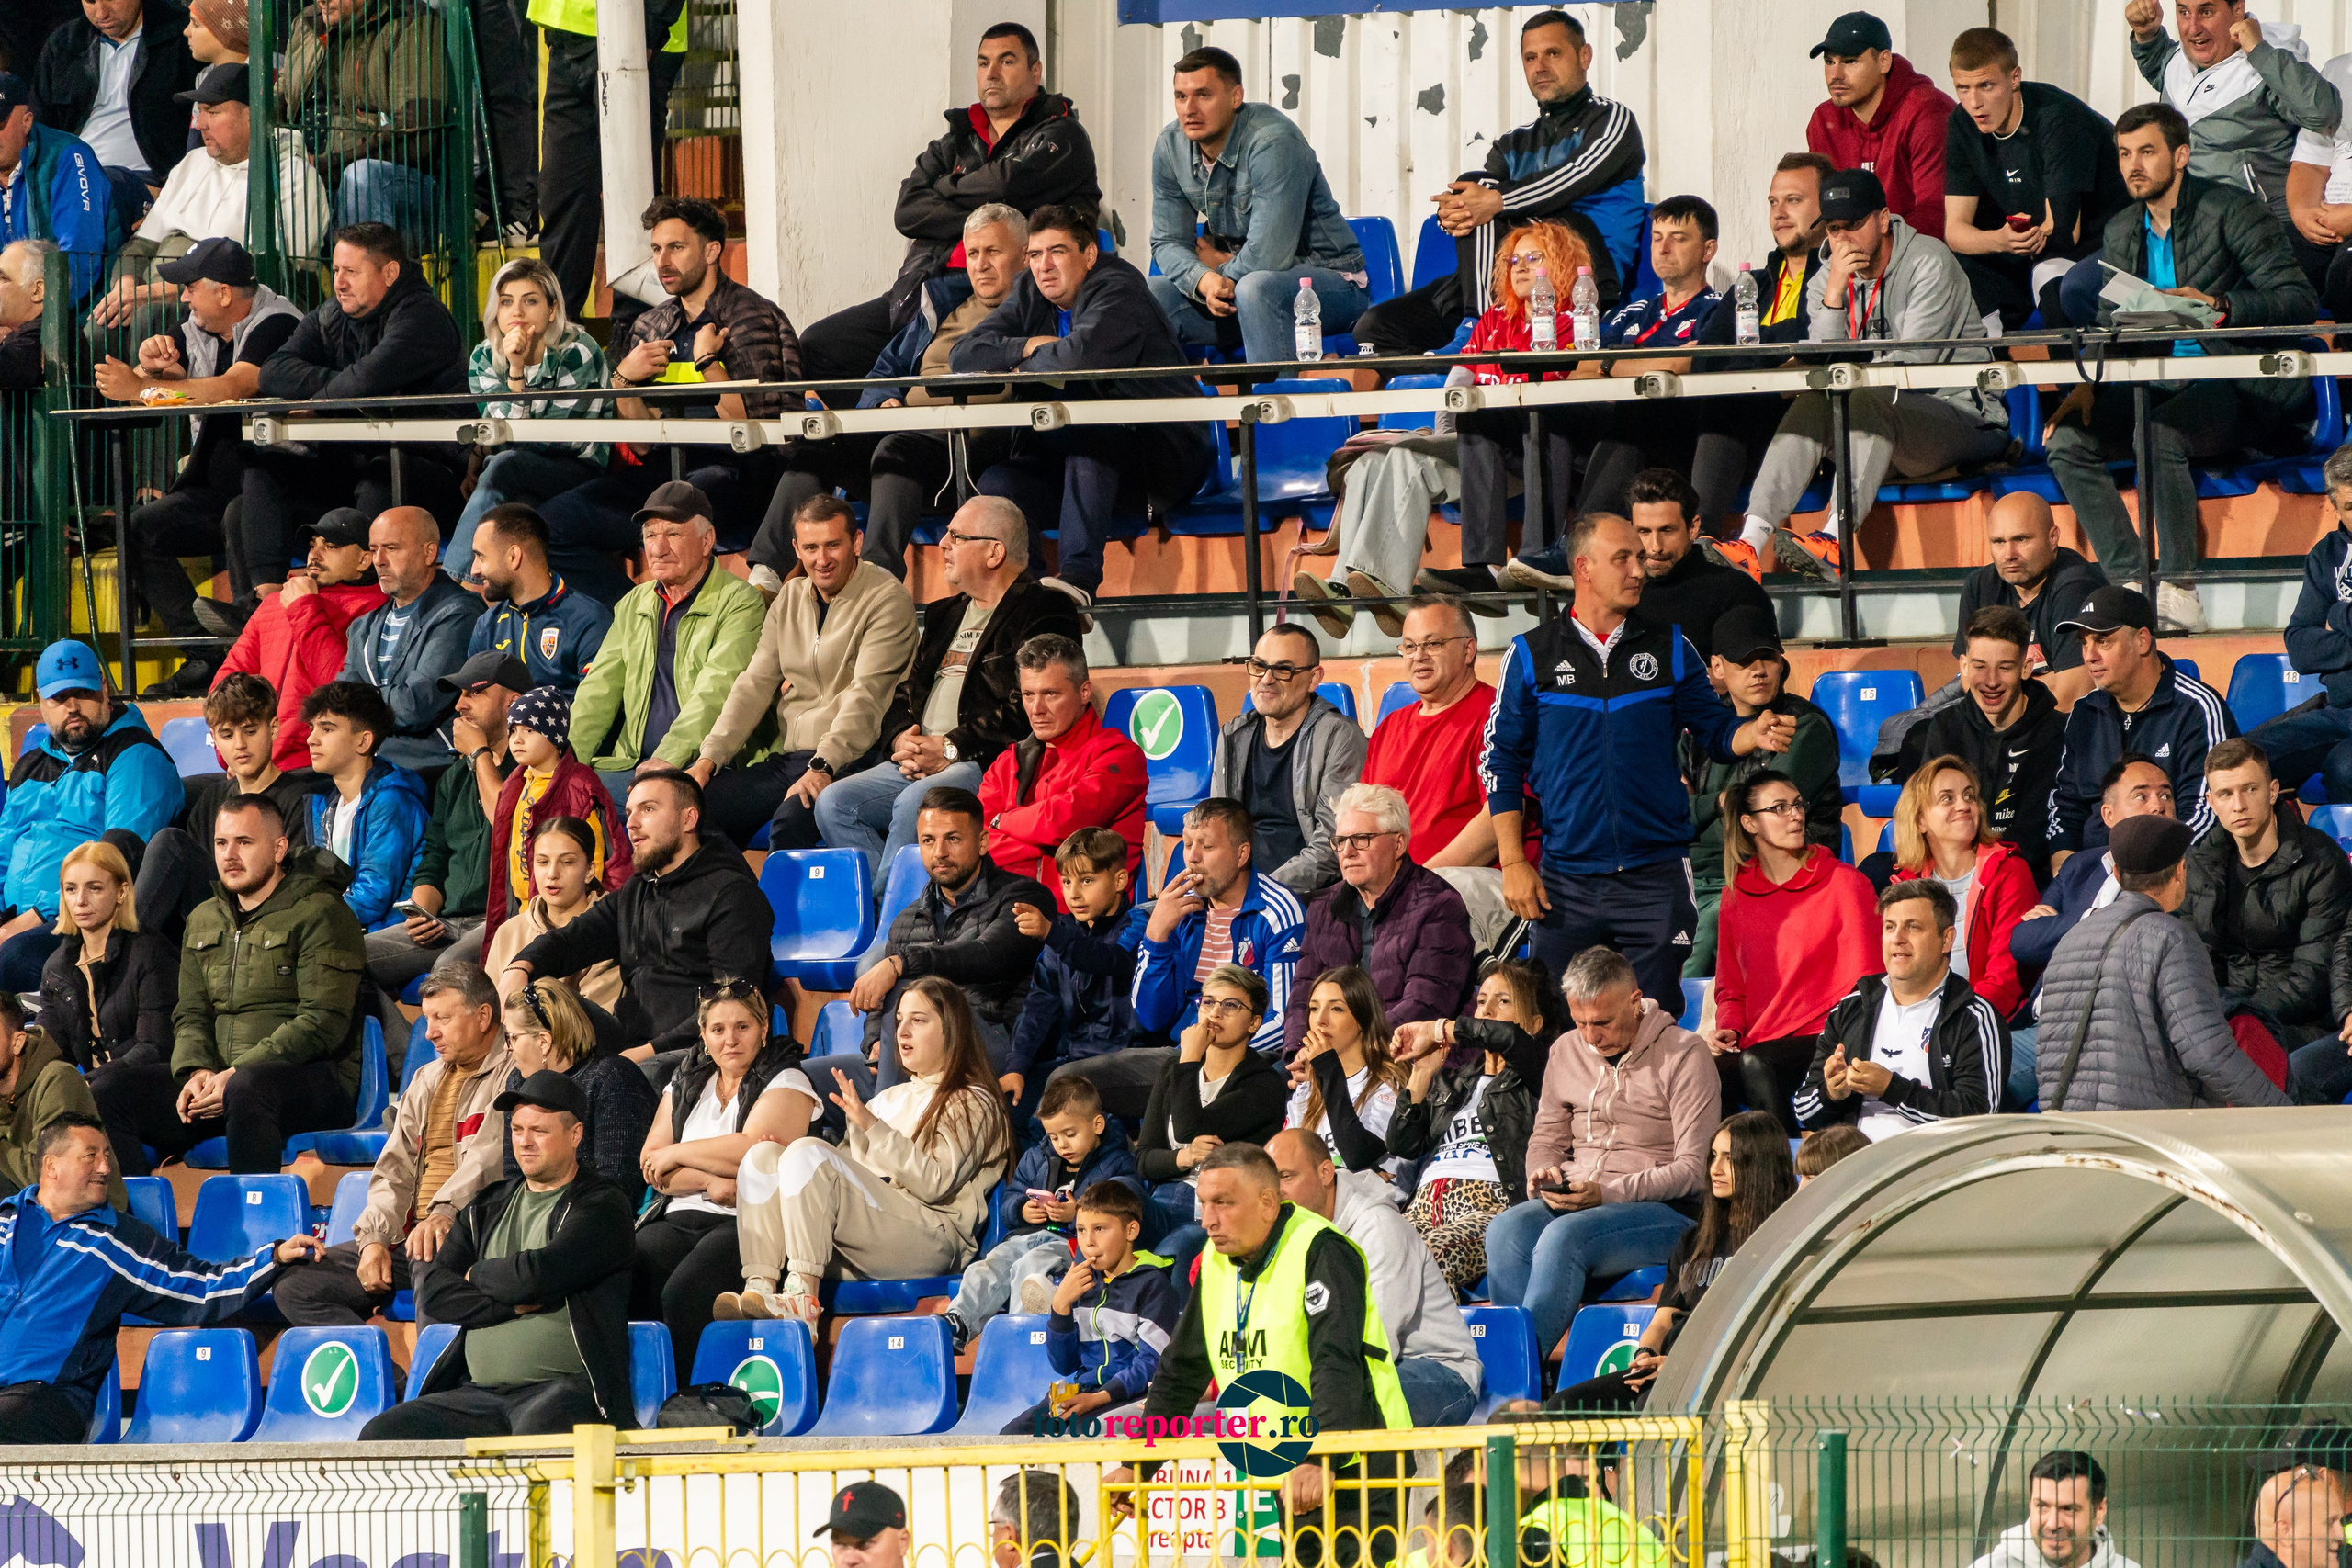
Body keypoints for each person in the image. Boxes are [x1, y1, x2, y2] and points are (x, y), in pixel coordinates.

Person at [1483, 513, 1793, 1005]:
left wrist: (1750, 732)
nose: (1640, 570)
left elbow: (1714, 733)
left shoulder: (1670, 646)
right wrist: (1514, 860)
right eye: (1623, 558)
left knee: (1656, 1024)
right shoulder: (1529, 655)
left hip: (1657, 875)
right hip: (1566, 880)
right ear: (1583, 568)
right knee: (1562, 1030)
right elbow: (1500, 762)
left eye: (1640, 559)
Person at [2043, 103, 2320, 634]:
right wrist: (2089, 383)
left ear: (2182, 155)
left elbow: (2298, 299)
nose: (2132, 166)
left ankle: (2179, 589)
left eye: (2146, 152)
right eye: (2124, 154)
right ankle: (2128, 585)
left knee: (2158, 433)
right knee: (2065, 442)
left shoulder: (2232, 211)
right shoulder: (2124, 228)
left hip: (2238, 383)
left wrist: (2220, 305)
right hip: (2158, 381)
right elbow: (2111, 322)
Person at [1114, 1141, 1411, 1565]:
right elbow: (1180, 1372)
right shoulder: (1215, 1264)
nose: (1208, 1220)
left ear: (1268, 1203)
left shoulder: (1321, 1248)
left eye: (1223, 1203)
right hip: (1287, 1466)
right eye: (1202, 1203)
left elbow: (1335, 1360)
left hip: (1357, 1466)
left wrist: (1321, 1456)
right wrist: (1138, 1463)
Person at [1735, 168, 2009, 585]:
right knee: (1816, 401)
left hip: (1959, 416)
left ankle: (1834, 540)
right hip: (1877, 430)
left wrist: (1843, 379)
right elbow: (1821, 368)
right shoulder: (1828, 277)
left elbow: (1913, 367)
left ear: (1882, 219)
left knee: (1863, 399)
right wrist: (1833, 298)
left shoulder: (1928, 261)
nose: (1842, 239)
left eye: (1854, 225)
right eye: (1833, 228)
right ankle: (1750, 543)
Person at [793, 21, 1099, 387]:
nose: (992, 73)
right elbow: (907, 211)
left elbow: (1009, 181)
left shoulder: (1061, 135)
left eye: (1006, 61)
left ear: (1035, 72)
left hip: (1005, 291)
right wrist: (991, 213)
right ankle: (878, 432)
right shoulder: (955, 141)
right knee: (820, 347)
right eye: (983, 63)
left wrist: (944, 186)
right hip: (927, 285)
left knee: (942, 368)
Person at [953, 205, 1216, 612]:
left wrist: (1018, 363)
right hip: (1074, 462)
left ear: (1088, 255)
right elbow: (964, 355)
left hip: (1159, 461)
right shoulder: (1030, 291)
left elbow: (1080, 357)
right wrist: (1027, 346)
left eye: (1057, 251)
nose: (1044, 266)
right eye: (1035, 255)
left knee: (1092, 428)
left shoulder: (1118, 286)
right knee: (998, 483)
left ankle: (1077, 581)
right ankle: (1031, 592)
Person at [753, 206, 1032, 587]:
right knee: (820, 446)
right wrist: (881, 403)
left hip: (968, 453)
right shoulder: (942, 306)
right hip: (907, 440)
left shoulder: (1034, 312)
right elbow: (886, 368)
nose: (980, 264)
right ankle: (765, 575)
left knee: (896, 449)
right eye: (972, 253)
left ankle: (876, 580)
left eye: (993, 252)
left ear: (1025, 253)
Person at [539, 197, 799, 604]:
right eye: (657, 249)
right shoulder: (652, 323)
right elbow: (642, 442)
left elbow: (755, 434)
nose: (663, 261)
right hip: (666, 470)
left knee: (671, 514)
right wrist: (624, 377)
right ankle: (630, 616)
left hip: (734, 476)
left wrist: (708, 361)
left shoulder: (751, 318)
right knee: (551, 525)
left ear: (712, 251)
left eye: (676, 248)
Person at [0, 1114, 321, 1445]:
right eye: (90, 1156)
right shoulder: (5, 1223)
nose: (105, 1168)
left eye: (107, 1156)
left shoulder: (118, 1243)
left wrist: (274, 1257)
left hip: (48, 1398)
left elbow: (201, 1286)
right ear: (51, 1166)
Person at [813, 496, 1084, 879]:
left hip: (987, 760)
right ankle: (889, 907)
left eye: (956, 536)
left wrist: (951, 746)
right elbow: (907, 692)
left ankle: (893, 924)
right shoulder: (945, 613)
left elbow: (1031, 706)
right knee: (833, 803)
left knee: (917, 804)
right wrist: (900, 740)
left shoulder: (1044, 608)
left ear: (994, 552)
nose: (942, 544)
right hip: (922, 755)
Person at [92, 794, 363, 1176]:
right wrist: (197, 1071)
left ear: (279, 848)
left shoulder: (322, 912)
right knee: (109, 1092)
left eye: (244, 842)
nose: (230, 855)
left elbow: (322, 1023)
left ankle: (262, 1231)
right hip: (222, 1083)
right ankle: (138, 1223)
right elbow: (190, 1015)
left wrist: (234, 1073)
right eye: (221, 843)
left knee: (249, 1087)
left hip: (310, 1079)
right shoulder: (204, 918)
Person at [354, 1068, 630, 1439]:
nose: (525, 1142)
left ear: (575, 1134)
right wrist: (510, 1306)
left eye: (540, 1131)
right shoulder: (487, 1205)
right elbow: (436, 1292)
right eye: (517, 1130)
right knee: (383, 1435)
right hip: (479, 1395)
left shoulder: (602, 1204)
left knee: (533, 1445)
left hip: (565, 1390)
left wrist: (476, 1274)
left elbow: (539, 1274)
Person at [1352, 7, 1645, 354]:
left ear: (1584, 56)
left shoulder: (1613, 119)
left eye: (1553, 53)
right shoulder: (1513, 143)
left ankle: (1479, 329)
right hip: (1512, 276)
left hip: (1582, 277)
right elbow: (1478, 206)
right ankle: (1452, 381)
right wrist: (1455, 212)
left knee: (1487, 193)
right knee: (1376, 328)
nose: (1540, 66)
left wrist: (1496, 201)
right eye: (1530, 58)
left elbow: (1572, 178)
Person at [723, 976, 1012, 1324]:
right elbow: (842, 1180)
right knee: (762, 1157)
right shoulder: (887, 1099)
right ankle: (761, 1286)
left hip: (931, 1238)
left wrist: (873, 1127)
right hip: (867, 1236)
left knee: (805, 1153)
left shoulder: (973, 1101)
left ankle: (802, 1297)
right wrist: (786, 1165)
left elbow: (935, 1183)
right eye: (900, 1020)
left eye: (918, 1021)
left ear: (951, 1030)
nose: (902, 1032)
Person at [1486, 945, 1714, 1360]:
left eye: (1603, 1022)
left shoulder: (1684, 1054)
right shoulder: (1567, 1050)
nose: (1591, 1036)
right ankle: (1530, 1374)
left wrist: (1607, 1193)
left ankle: (1513, 1375)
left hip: (1666, 1210)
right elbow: (1545, 1138)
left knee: (1563, 1238)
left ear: (1634, 1001)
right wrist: (1541, 1172)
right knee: (1505, 1231)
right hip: (1580, 1199)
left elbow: (1693, 1170)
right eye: (1580, 1022)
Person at [97, 237, 301, 694]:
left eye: (191, 287)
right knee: (138, 529)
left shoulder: (278, 323)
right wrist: (154, 366)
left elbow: (234, 386)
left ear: (225, 293)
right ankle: (207, 656)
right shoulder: (194, 324)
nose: (184, 297)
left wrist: (141, 390)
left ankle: (253, 661)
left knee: (240, 511)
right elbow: (173, 377)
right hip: (213, 484)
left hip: (278, 488)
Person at [273, 964, 512, 1325]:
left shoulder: (514, 1073)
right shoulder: (425, 1078)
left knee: (432, 1270)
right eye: (428, 1018)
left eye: (441, 1019)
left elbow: (488, 1160)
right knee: (297, 1284)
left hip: (469, 1231)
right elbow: (394, 1167)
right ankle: (388, 1380)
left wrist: (444, 1213)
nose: (430, 1033)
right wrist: (374, 1239)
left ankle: (435, 1381)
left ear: (483, 1016)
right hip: (412, 1236)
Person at [503, 770, 771, 1071]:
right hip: (627, 1042)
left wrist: (645, 1053)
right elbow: (572, 939)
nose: (631, 823)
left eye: (648, 809)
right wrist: (520, 967)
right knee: (538, 1026)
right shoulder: (637, 889)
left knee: (626, 1076)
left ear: (688, 819)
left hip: (695, 1050)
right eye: (629, 812)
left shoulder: (731, 895)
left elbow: (733, 1002)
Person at [249, 228, 469, 596]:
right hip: (352, 461)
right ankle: (263, 606)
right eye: (335, 271)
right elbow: (272, 372)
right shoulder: (331, 316)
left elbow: (365, 379)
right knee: (259, 477)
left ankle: (357, 611)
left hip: (428, 472)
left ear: (389, 274)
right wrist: (341, 387)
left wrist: (330, 400)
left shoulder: (423, 318)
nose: (339, 283)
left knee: (379, 473)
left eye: (351, 272)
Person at [689, 496, 919, 848]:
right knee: (697, 810)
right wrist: (709, 758)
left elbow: (867, 697)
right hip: (793, 758)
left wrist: (824, 766)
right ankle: (741, 901)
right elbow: (754, 684)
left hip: (855, 758)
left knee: (790, 821)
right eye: (810, 548)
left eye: (832, 545)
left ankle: (784, 904)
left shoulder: (886, 599)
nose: (821, 560)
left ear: (856, 543)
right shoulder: (790, 597)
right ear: (796, 548)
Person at [1543, 1111, 1796, 1412]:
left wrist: (1680, 1365)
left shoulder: (1780, 1240)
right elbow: (1664, 1318)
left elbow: (1759, 1327)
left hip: (1722, 1370)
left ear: (1760, 1165)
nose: (1715, 1168)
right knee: (1564, 1407)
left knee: (1653, 1405)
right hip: (1668, 1366)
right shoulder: (1694, 1241)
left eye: (1729, 1158)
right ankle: (1603, 1464)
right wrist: (1645, 1356)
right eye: (1713, 1156)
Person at [629, 979, 815, 1388]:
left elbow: (752, 1153)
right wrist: (712, 1179)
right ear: (703, 1035)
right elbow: (650, 1163)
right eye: (718, 1029)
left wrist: (678, 1154)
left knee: (684, 1292)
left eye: (742, 1027)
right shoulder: (685, 1081)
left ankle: (692, 1401)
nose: (730, 1039)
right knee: (624, 1272)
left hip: (744, 1224)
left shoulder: (787, 1080)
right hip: (677, 1216)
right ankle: (637, 1401)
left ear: (764, 1029)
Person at [2037, 813, 2290, 1111]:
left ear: (2116, 875)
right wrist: (2281, 1111)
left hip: (2073, 1134)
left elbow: (2048, 1053)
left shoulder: (2070, 939)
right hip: (2150, 1139)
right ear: (2181, 870)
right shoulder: (2172, 937)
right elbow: (2207, 1053)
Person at [1080, 798, 1303, 1120]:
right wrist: (1156, 935)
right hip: (1179, 1055)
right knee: (1072, 1083)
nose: (1193, 858)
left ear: (1242, 854)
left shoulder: (1277, 911)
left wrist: (1214, 1050)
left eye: (1207, 846)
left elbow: (1282, 1019)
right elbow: (1152, 1016)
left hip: (1244, 1063)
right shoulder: (1179, 910)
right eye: (1187, 845)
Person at [1146, 45, 1368, 364]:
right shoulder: (1170, 146)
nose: (1188, 110)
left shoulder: (1273, 142)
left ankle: (1278, 407)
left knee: (1256, 288)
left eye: (1203, 95)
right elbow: (1167, 241)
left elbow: (1269, 255)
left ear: (1236, 97)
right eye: (1181, 97)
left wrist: (1217, 273)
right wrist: (1203, 280)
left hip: (1330, 281)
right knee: (1151, 295)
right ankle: (1170, 411)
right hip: (1240, 285)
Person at [1410, 220, 1593, 600]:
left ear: (1560, 263)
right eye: (1514, 260)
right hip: (1507, 452)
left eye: (1533, 257)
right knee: (1476, 417)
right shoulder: (1496, 318)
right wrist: (1450, 436)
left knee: (1542, 415)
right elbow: (1459, 386)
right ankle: (1481, 567)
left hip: (1563, 448)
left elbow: (1568, 398)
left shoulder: (1574, 321)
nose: (1521, 267)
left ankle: (1535, 558)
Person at [86, 62, 325, 343]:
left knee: (149, 319)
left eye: (213, 112)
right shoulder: (193, 162)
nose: (200, 124)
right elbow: (142, 244)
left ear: (254, 116)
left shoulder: (291, 174)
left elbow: (262, 274)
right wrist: (125, 288)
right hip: (157, 293)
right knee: (101, 326)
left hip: (232, 306)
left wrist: (149, 294)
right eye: (200, 113)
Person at [0, 640, 184, 989]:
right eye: (59, 698)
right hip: (15, 923)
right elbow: (3, 852)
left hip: (83, 922)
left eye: (82, 693)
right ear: (40, 700)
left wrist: (36, 916)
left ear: (103, 687)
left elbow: (115, 860)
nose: (72, 707)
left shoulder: (134, 754)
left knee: (13, 958)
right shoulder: (30, 766)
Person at [1272, 1126, 1484, 1427]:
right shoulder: (1294, 1235)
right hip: (1356, 1368)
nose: (1276, 1191)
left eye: (1287, 1177)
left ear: (1325, 1172)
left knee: (1337, 1406)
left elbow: (1378, 1337)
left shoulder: (1379, 1228)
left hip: (1441, 1374)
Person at [1679, 154, 1834, 570]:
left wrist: (1753, 351)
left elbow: (1814, 341)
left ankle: (1701, 547)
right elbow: (1706, 356)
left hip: (1807, 423)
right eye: (1772, 202)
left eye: (1793, 201)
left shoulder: (1840, 276)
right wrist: (1771, 352)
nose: (1779, 214)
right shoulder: (1756, 283)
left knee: (1724, 406)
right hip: (1747, 414)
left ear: (1828, 208)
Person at [839, 787, 1050, 1089]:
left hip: (991, 1039)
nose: (939, 852)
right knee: (807, 1079)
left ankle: (885, 1126)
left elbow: (988, 956)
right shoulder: (907, 920)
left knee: (905, 989)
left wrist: (900, 964)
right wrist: (874, 1040)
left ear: (981, 843)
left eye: (953, 839)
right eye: (928, 841)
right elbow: (883, 1003)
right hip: (920, 1053)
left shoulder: (1022, 896)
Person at [567, 480, 768, 795]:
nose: (658, 549)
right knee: (553, 790)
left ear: (706, 541)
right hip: (636, 762)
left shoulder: (739, 602)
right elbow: (598, 690)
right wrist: (564, 761)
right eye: (650, 536)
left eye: (673, 534)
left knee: (583, 797)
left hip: (707, 765)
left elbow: (716, 692)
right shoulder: (635, 603)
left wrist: (668, 756)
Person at [1354, 598, 1531, 950]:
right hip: (1398, 889)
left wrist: (1414, 882)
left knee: (1423, 915)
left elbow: (1496, 824)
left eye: (1432, 644)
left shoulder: (1498, 717)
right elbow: (1364, 818)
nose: (1418, 656)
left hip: (1472, 884)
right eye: (1409, 646)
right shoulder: (1390, 727)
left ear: (1469, 650)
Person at [1713, 773, 1884, 1134]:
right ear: (1749, 823)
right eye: (1779, 808)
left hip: (1829, 1036)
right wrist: (1728, 1027)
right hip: (1761, 1039)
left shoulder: (1844, 883)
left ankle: (1786, 1173)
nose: (1795, 815)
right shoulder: (1735, 895)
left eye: (1797, 804)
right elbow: (1731, 988)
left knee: (1759, 1063)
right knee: (1701, 1069)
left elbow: (1868, 985)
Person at [2129, 0, 2341, 286]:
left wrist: (2260, 52)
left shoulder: (2270, 64)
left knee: (2178, 297)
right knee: (2082, 289)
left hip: (2255, 229)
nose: (2193, 28)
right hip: (2181, 224)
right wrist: (2148, 37)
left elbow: (2323, 113)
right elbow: (2167, 76)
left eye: (2206, 11)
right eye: (2183, 12)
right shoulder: (2182, 59)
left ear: (2237, 10)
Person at [2013, 754, 2179, 1107]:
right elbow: (2023, 941)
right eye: (2142, 796)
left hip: (2107, 1035)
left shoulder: (2178, 876)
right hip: (2043, 1024)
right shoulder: (2081, 865)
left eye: (2166, 795)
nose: (2158, 806)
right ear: (2108, 815)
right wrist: (2098, 920)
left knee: (1964, 1072)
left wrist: (2065, 923)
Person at [1386, 958, 1561, 1292]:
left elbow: (1509, 1038)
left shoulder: (1541, 1072)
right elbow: (1401, 1144)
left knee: (1423, 1262)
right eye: (1481, 1001)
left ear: (1535, 1023)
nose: (1486, 1011)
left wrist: (1439, 1028)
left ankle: (1443, 1345)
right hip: (1424, 1206)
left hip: (1490, 1207)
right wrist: (1422, 1072)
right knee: (1366, 1258)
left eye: (1503, 1001)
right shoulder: (1454, 1082)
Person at [1685, 605, 1841, 976]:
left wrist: (1696, 813)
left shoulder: (1802, 729)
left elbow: (1766, 830)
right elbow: (1660, 814)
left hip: (1773, 878)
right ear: (1718, 667)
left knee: (1704, 935)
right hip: (1691, 879)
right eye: (1744, 661)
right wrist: (1720, 804)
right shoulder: (1696, 732)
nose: (1759, 670)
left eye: (1767, 658)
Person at [361, 651, 522, 1000]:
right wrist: (421, 913)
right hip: (445, 923)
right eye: (460, 694)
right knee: (346, 960)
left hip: (500, 921)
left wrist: (480, 754)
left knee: (448, 971)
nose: (460, 705)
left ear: (514, 702)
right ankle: (400, 1049)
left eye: (475, 693)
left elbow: (507, 824)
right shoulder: (453, 778)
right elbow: (434, 858)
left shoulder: (531, 769)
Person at [940, 1074, 1143, 1350]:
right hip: (1029, 1236)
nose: (1062, 1145)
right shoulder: (1037, 1158)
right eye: (1054, 1136)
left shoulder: (1116, 1161)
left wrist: (1077, 1214)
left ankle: (1022, 1342)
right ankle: (959, 1323)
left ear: (1097, 1125)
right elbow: (1012, 1197)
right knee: (992, 1261)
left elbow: (1120, 1207)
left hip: (1072, 1245)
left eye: (1070, 1134)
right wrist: (1022, 1210)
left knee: (1032, 1265)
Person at [1943, 28, 2128, 331]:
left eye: (1986, 86)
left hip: (2105, 241)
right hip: (2031, 240)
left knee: (2050, 274)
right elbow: (1955, 231)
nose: (1973, 102)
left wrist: (2010, 240)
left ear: (2014, 78)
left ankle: (2074, 378)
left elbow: (2066, 232)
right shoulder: (1962, 123)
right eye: (1962, 88)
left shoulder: (2057, 118)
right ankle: (1991, 367)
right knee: (1956, 268)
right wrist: (2000, 239)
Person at [1562, 197, 1731, 525]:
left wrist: (1610, 365)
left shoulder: (1718, 309)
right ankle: (1536, 552)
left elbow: (1679, 364)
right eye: (1657, 237)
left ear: (1708, 250)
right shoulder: (1633, 312)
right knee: (1542, 420)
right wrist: (1630, 366)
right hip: (1616, 432)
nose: (1663, 248)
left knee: (1636, 406)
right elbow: (1580, 370)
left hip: (1677, 438)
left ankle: (1580, 542)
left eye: (1678, 238)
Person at [1796, 880, 2005, 1138]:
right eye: (1890, 927)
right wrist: (1831, 1094)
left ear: (1946, 939)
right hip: (1855, 1168)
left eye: (1913, 927)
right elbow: (1803, 1110)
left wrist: (1892, 1089)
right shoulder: (1851, 1008)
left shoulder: (1973, 1016)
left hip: (1932, 1171)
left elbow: (1980, 1116)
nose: (1897, 939)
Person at [2045, 586, 2237, 859]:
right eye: (2084, 643)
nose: (2089, 655)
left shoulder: (2196, 708)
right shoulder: (2084, 712)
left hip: (2167, 870)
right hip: (2089, 872)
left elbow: (2204, 813)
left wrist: (2134, 873)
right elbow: (2065, 805)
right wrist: (2064, 865)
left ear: (2142, 641)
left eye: (2103, 641)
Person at [2184, 739, 2352, 1049]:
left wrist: (2237, 1015)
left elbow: (2313, 979)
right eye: (2225, 794)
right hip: (2224, 1020)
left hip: (2300, 1025)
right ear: (2211, 801)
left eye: (2250, 789)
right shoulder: (2202, 861)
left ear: (2273, 791)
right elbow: (2190, 955)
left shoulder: (2321, 862)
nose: (2238, 805)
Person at [450, 262, 613, 583]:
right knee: (519, 516)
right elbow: (501, 434)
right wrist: (513, 367)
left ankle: (458, 577)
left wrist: (516, 371)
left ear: (552, 310)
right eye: (507, 301)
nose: (517, 312)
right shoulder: (484, 357)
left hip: (576, 467)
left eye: (531, 300)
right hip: (517, 471)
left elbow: (558, 438)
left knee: (506, 464)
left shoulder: (577, 350)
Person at [1282, 784, 1473, 1055]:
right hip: (1332, 1055)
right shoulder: (1323, 907)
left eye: (1361, 839)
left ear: (1398, 844)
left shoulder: (1439, 906)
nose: (1347, 851)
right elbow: (1303, 994)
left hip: (1403, 1057)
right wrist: (1299, 1050)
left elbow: (1425, 1005)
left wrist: (1351, 1054)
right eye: (1340, 841)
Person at [530, 0, 688, 321]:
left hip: (635, 34)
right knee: (562, 197)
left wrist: (649, 30)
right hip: (568, 31)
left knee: (634, 203)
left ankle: (635, 336)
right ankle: (558, 334)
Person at [1888, 607, 2069, 883]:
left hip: (2028, 878)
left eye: (2005, 667)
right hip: (1955, 873)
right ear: (1963, 666)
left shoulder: (2058, 731)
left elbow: (2046, 830)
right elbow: (1927, 818)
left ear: (2026, 667)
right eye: (1980, 666)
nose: (1991, 681)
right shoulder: (1944, 728)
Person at [1510, 468, 1773, 652]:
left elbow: (1758, 679)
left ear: (1694, 528)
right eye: (1643, 532)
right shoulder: (1613, 595)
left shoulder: (1736, 591)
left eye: (1667, 531)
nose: (1655, 547)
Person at [1131, 964, 1287, 1256]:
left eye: (1230, 1006)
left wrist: (1189, 1058)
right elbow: (1143, 1160)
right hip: (1162, 1203)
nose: (1215, 1014)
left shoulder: (1263, 1084)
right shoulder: (1172, 1070)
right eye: (1208, 1003)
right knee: (1115, 1195)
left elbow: (1191, 1127)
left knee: (1175, 1249)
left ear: (1254, 1023)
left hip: (1214, 1213)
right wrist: (1185, 1156)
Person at [211, 510, 386, 772]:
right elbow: (226, 685)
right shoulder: (274, 603)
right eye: (312, 545)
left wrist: (304, 608)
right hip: (258, 766)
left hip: (317, 766)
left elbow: (341, 687)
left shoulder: (374, 610)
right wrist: (231, 758)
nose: (315, 555)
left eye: (331, 546)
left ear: (364, 560)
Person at [978, 635, 1147, 901]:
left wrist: (1004, 820)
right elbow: (978, 842)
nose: (1036, 709)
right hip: (999, 906)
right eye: (1028, 695)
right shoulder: (1007, 763)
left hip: (1079, 920)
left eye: (1050, 694)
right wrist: (1042, 844)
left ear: (1084, 692)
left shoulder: (1120, 756)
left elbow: (1062, 825)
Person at [1006, 1183, 1182, 1435]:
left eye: (1100, 1229)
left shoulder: (1154, 1286)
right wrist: (1060, 1307)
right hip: (1084, 1392)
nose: (1088, 1241)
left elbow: (1152, 1363)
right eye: (1081, 1230)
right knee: (1011, 1437)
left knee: (1074, 1439)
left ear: (1130, 1231)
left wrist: (1100, 1397)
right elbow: (1064, 1364)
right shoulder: (1082, 1283)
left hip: (1128, 1396)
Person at [1212, 625, 1367, 899]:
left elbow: (1334, 844)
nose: (1266, 679)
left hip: (1311, 894)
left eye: (1283, 670)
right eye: (1259, 666)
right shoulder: (1232, 735)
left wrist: (1261, 893)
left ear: (1313, 678)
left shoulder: (1339, 736)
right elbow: (1216, 830)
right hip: (1241, 892)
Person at [277, 0, 452, 243]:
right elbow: (281, 97)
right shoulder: (308, 22)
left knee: (361, 176)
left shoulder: (408, 20)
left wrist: (324, 166)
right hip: (312, 176)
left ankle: (369, 274)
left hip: (396, 184)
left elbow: (417, 134)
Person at [1884, 757, 2038, 1021]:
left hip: (1988, 1023)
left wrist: (1952, 1028)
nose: (1963, 805)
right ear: (1920, 821)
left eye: (1969, 796)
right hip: (1919, 1021)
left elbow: (2005, 980)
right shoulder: (1908, 885)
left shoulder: (2008, 872)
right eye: (1948, 799)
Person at [481, 685, 629, 959]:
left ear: (554, 735)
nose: (517, 739)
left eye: (529, 730)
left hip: (567, 916)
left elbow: (595, 860)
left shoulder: (578, 784)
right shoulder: (517, 784)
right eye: (513, 730)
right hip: (523, 910)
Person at [334, 505, 480, 773]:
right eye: (373, 548)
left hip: (429, 766)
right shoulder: (363, 628)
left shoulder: (459, 614)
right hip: (370, 763)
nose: (378, 560)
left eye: (391, 548)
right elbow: (339, 702)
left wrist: (361, 702)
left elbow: (415, 707)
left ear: (429, 553)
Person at [31, 0, 198, 218]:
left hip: (147, 181)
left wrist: (173, 189)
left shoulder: (182, 34)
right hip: (76, 177)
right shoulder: (64, 44)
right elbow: (39, 128)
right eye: (90, 1)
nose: (101, 13)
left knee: (92, 194)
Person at [1008, 828, 1136, 1104]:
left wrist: (1052, 935)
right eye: (1066, 882)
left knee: (1054, 1104)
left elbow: (1110, 959)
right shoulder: (1064, 930)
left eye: (1087, 880)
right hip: (1071, 1059)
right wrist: (1016, 1065)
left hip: (1120, 1060)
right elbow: (1040, 1004)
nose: (1074, 894)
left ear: (1120, 880)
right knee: (1007, 1105)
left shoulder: (1137, 924)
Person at [498, 974, 654, 1199]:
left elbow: (617, 1182)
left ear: (543, 1041)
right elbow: (514, 1175)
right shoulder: (518, 1081)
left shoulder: (612, 1077)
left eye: (511, 1038)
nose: (507, 1048)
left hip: (593, 1218)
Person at [1947, 493, 2106, 711]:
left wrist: (1999, 687)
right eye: (1998, 542)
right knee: (1904, 731)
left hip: (2049, 724)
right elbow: (1970, 680)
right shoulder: (1980, 586)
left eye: (2021, 539)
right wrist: (2045, 680)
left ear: (2053, 538)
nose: (2009, 554)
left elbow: (2071, 695)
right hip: (1987, 707)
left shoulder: (2075, 586)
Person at [1805, 10, 1954, 240]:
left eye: (1850, 61)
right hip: (1854, 256)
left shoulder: (1928, 111)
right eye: (1829, 61)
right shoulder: (1824, 121)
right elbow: (1824, 209)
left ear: (1883, 61)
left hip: (1923, 258)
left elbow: (1936, 216)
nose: (1836, 74)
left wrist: (1870, 250)